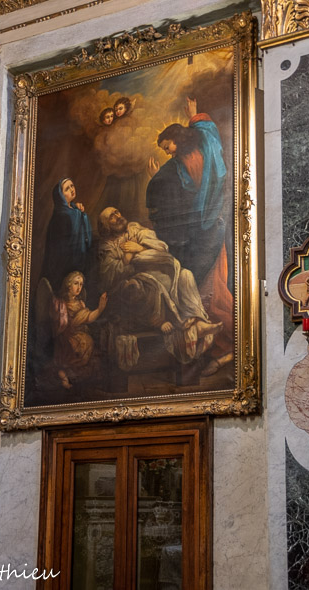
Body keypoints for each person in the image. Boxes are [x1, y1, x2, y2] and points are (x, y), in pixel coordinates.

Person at [97, 207, 221, 364]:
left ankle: (197, 320)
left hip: (158, 269)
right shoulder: (107, 247)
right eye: (112, 217)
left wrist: (140, 248)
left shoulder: (134, 228)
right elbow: (111, 277)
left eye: (117, 212)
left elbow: (162, 248)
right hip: (136, 281)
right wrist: (129, 256)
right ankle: (180, 322)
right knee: (157, 282)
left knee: (186, 275)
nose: (118, 216)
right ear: (106, 226)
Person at [146, 97, 227, 286]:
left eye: (167, 147)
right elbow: (208, 131)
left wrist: (156, 178)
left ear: (176, 139)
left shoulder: (183, 158)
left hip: (205, 213)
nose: (167, 152)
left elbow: (209, 135)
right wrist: (194, 117)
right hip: (206, 211)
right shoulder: (191, 152)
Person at [37, 272, 107, 389]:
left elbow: (86, 317)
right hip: (66, 338)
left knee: (89, 345)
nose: (79, 287)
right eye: (76, 283)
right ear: (68, 285)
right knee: (80, 344)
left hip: (79, 334)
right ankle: (64, 375)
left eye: (81, 284)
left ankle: (70, 376)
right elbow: (84, 318)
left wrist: (100, 310)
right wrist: (99, 310)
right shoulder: (60, 303)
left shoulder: (80, 303)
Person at [42, 178, 92, 292]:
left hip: (80, 256)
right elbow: (61, 244)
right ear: (60, 196)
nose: (71, 189)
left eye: (72, 186)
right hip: (67, 260)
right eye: (67, 189)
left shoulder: (74, 210)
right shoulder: (61, 215)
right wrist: (79, 214)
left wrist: (80, 213)